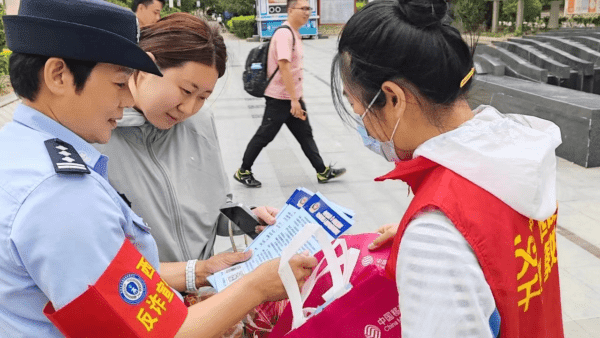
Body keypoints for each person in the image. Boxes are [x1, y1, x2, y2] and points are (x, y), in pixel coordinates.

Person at [0, 1, 316, 337]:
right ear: (58, 75)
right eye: (120, 83)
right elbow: (152, 332)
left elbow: (116, 284)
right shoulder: (62, 194)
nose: (125, 100)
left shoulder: (22, 148)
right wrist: (256, 287)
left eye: (203, 97)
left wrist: (217, 256)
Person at [332, 0, 564, 337]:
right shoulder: (515, 159)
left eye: (357, 106)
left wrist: (434, 247)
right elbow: (501, 253)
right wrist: (449, 247)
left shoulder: (437, 234)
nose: (364, 126)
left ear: (393, 98)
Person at [96, 13, 279, 270]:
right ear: (146, 67)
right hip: (144, 302)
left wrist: (248, 218)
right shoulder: (96, 135)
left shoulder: (201, 121)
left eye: (203, 97)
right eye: (186, 91)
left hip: (204, 297)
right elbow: (99, 261)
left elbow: (215, 208)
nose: (189, 108)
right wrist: (194, 274)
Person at [234, 0, 346, 188]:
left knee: (305, 135)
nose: (307, 12)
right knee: (264, 135)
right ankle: (243, 171)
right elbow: (284, 66)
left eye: (309, 9)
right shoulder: (285, 34)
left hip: (291, 98)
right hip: (280, 99)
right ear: (290, 10)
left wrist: (297, 98)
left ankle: (322, 171)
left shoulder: (294, 33)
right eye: (303, 8)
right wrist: (294, 100)